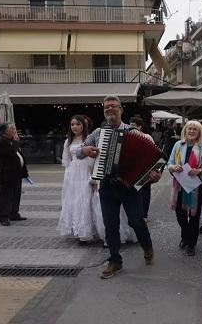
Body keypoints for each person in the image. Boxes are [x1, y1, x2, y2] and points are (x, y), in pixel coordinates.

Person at [79, 95, 161, 279]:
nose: (110, 109)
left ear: (121, 110)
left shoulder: (135, 133)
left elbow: (154, 159)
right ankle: (115, 260)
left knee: (136, 221)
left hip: (129, 186)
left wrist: (154, 174)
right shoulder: (97, 133)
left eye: (114, 106)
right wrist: (83, 150)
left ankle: (147, 245)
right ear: (104, 111)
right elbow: (79, 152)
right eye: (107, 107)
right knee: (110, 224)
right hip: (107, 185)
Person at [58, 115, 105, 243]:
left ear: (83, 126)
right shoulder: (68, 141)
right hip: (72, 175)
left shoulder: (89, 139)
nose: (74, 127)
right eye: (72, 124)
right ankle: (77, 229)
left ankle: (87, 231)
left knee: (87, 200)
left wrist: (93, 178)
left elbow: (93, 159)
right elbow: (67, 161)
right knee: (74, 201)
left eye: (78, 124)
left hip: (85, 172)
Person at [168, 120, 202, 256]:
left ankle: (191, 243)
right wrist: (173, 167)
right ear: (185, 130)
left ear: (199, 132)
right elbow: (170, 162)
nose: (191, 131)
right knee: (180, 214)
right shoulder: (178, 145)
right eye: (189, 129)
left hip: (197, 186)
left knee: (194, 216)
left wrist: (199, 171)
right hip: (179, 184)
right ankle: (185, 235)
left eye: (194, 129)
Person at [0, 123, 29, 226]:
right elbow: (11, 153)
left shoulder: (12, 141)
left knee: (16, 195)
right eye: (12, 128)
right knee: (6, 196)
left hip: (17, 174)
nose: (15, 130)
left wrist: (24, 172)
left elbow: (19, 155)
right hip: (7, 174)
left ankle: (14, 213)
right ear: (5, 131)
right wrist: (15, 141)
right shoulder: (1, 142)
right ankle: (4, 217)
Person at [130, 116, 154, 222]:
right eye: (130, 125)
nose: (131, 127)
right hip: (132, 170)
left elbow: (154, 152)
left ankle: (144, 214)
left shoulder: (147, 137)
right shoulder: (127, 136)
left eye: (134, 125)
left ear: (139, 126)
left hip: (145, 169)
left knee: (144, 191)